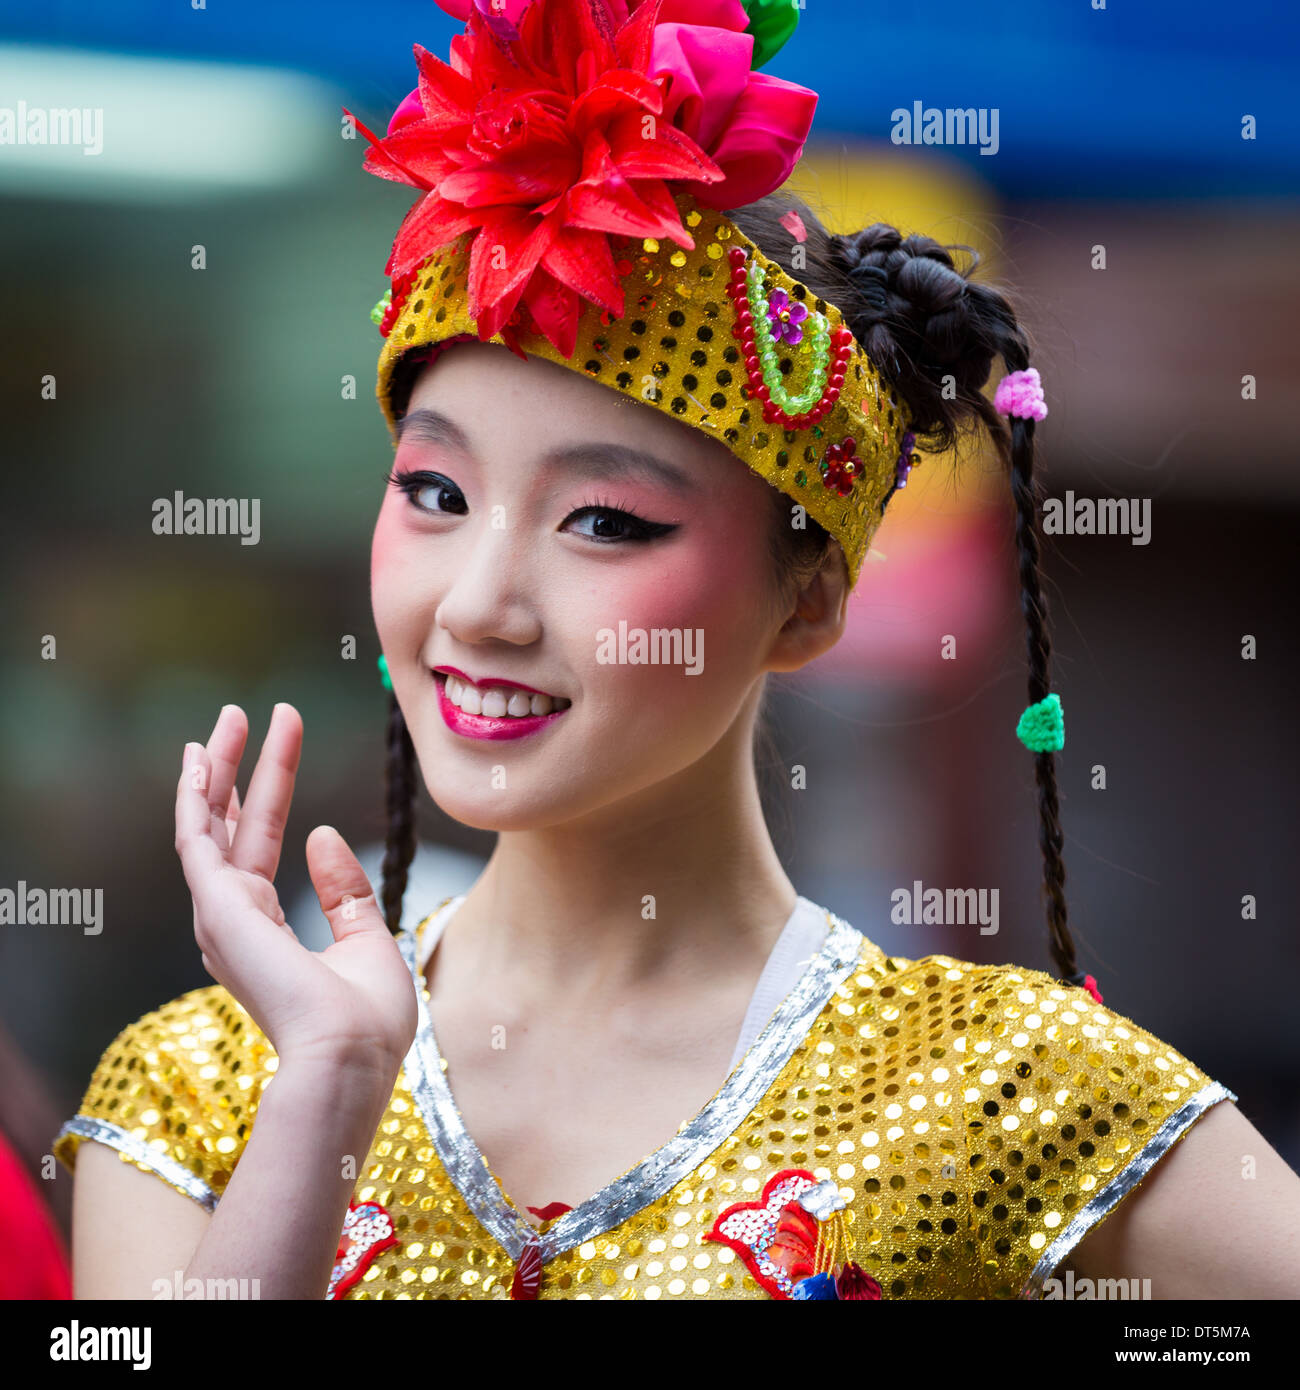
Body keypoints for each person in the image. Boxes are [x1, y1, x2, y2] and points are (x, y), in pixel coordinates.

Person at [53, 0, 1300, 1301]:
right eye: (434, 492)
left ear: (809, 600)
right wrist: (324, 1090)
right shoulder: (209, 1081)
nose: (480, 601)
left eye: (604, 520)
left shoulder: (1009, 1088)